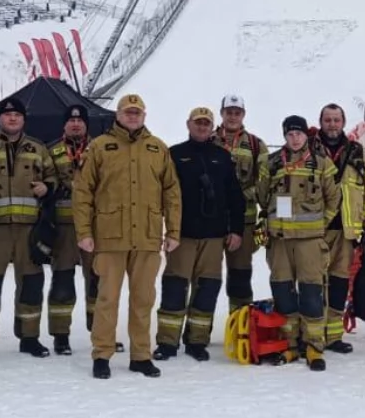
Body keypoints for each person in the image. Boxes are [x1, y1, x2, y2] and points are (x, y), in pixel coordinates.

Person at [73, 93, 181, 379]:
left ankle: (141, 355)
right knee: (107, 299)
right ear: (118, 115)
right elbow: (83, 193)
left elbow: (172, 193)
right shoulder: (100, 147)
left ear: (144, 115)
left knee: (143, 298)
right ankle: (102, 354)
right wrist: (84, 232)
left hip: (146, 237)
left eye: (137, 112)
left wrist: (173, 230)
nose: (132, 116)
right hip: (110, 237)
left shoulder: (158, 149)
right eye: (127, 112)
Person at [0, 98, 58, 361]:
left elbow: (53, 177)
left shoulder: (37, 148)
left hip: (29, 229)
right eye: (8, 116)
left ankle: (29, 337)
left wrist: (47, 188)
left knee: (31, 285)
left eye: (17, 115)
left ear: (24, 120)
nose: (13, 119)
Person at [154, 107, 243, 361]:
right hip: (182, 235)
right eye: (198, 123)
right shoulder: (174, 155)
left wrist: (236, 230)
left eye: (207, 123)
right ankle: (167, 341)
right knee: (174, 287)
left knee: (207, 288)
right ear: (188, 124)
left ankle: (197, 341)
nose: (202, 127)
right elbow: (162, 194)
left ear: (212, 127)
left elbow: (235, 197)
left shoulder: (223, 157)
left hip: (214, 237)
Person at [258, 115, 340, 371]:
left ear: (307, 135)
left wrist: (319, 225)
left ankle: (314, 346)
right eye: (290, 134)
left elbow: (333, 199)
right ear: (284, 136)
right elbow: (262, 196)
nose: (294, 139)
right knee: (283, 294)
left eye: (299, 134)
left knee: (312, 294)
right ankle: (290, 344)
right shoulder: (270, 163)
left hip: (310, 243)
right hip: (280, 243)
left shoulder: (322, 164)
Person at [311, 103, 365, 353]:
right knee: (313, 284)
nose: (332, 124)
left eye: (336, 120)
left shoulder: (356, 152)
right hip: (314, 230)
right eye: (327, 120)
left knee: (339, 283)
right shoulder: (309, 149)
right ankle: (312, 334)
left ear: (343, 122)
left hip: (346, 231)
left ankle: (333, 336)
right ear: (321, 122)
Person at [47, 104, 97, 355]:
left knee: (98, 281)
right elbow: (45, 180)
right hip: (64, 227)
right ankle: (60, 335)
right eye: (71, 120)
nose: (76, 124)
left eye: (80, 120)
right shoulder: (52, 151)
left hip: (94, 226)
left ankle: (100, 332)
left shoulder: (100, 148)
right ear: (64, 125)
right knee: (63, 281)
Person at [213, 94, 268, 313]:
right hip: (211, 221)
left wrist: (240, 194)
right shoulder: (209, 139)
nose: (233, 116)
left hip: (244, 221)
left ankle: (241, 326)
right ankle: (198, 334)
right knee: (206, 278)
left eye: (237, 112)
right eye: (229, 112)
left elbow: (264, 182)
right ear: (222, 113)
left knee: (240, 277)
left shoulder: (255, 144)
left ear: (243, 114)